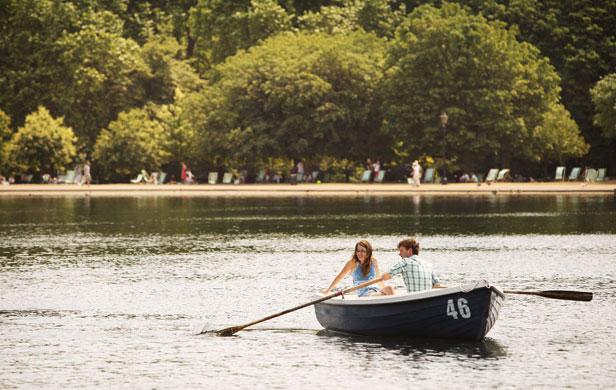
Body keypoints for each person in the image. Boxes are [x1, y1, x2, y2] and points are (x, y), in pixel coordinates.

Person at [321, 240, 394, 297]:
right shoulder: (352, 263)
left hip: (375, 290)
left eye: (362, 251)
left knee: (389, 288)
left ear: (368, 253)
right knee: (384, 294)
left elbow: (378, 280)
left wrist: (384, 290)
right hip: (363, 293)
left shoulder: (374, 261)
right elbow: (340, 276)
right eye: (358, 251)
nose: (359, 253)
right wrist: (328, 291)